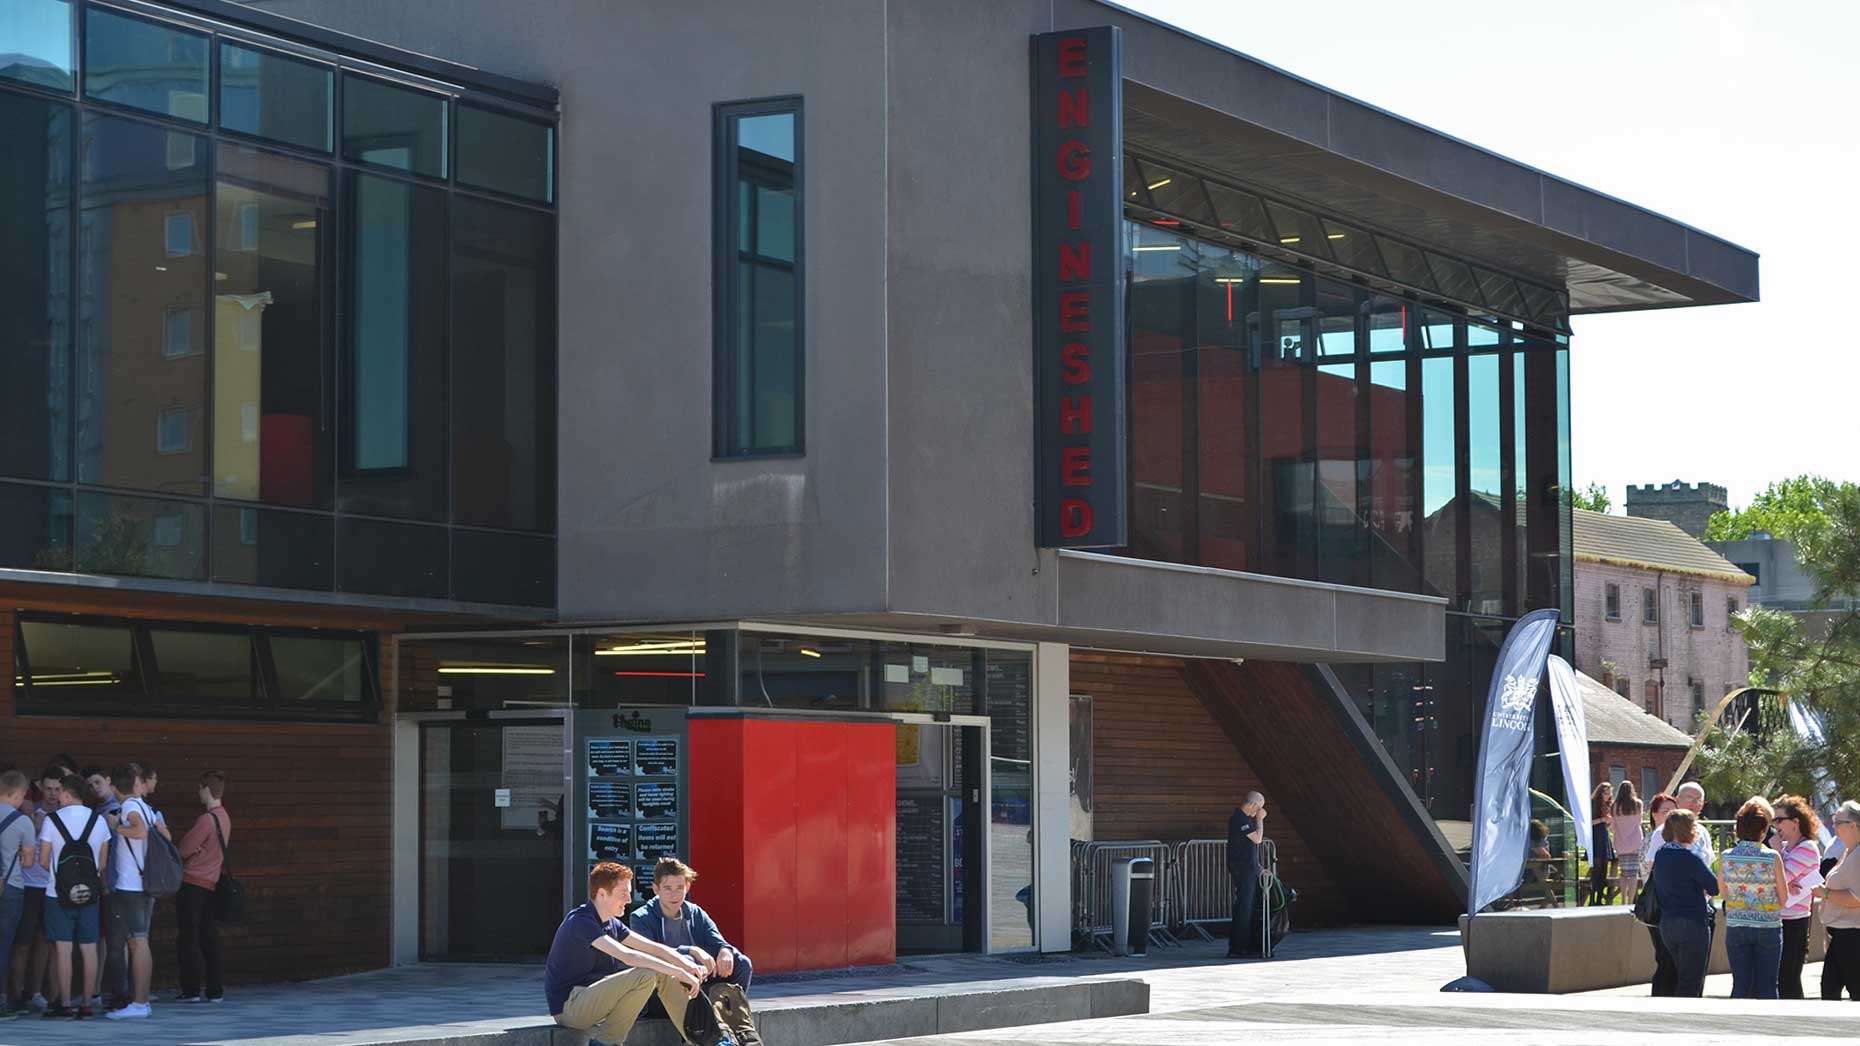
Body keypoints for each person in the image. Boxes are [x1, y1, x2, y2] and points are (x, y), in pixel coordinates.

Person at [547, 862, 704, 1046]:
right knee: (644, 974)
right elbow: (629, 956)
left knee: (656, 972)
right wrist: (680, 973)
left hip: (592, 1000)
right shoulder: (581, 921)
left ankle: (698, 1039)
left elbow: (655, 948)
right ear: (602, 894)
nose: (629, 900)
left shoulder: (611, 923)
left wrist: (686, 965)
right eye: (623, 893)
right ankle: (608, 1042)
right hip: (570, 1007)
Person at [628, 858, 752, 1003]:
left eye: (679, 888)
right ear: (656, 889)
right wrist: (690, 950)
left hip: (699, 982)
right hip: (662, 991)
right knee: (686, 961)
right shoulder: (641, 918)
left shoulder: (695, 912)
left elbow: (717, 941)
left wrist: (725, 950)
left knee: (741, 963)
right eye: (668, 888)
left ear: (687, 887)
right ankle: (707, 1008)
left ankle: (731, 1011)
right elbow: (651, 956)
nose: (674, 895)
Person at [37, 772, 109, 1019]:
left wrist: (63, 878)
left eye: (60, 793)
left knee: (63, 949)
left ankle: (65, 1004)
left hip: (57, 894)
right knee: (89, 949)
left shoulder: (51, 820)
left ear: (66, 793)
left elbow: (44, 860)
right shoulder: (99, 821)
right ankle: (87, 1004)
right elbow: (102, 863)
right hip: (90, 895)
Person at [102, 765, 157, 1021]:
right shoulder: (146, 807)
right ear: (135, 783)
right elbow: (162, 834)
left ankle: (139, 1002)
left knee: (138, 942)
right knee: (139, 941)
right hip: (145, 885)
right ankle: (140, 1001)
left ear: (113, 786)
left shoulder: (130, 808)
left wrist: (116, 827)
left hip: (131, 887)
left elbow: (140, 831)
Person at [1718, 797, 1788, 999]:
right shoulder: (1773, 857)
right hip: (1768, 926)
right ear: (1764, 830)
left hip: (1737, 925)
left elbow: (1724, 893)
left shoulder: (1726, 856)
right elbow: (1783, 899)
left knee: (1740, 985)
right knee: (1768, 986)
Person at [1651, 809, 1719, 999]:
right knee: (1691, 982)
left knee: (1679, 974)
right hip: (1692, 924)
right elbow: (1714, 887)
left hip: (1667, 925)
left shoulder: (1661, 855)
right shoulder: (1690, 858)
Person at [175, 769, 230, 1004]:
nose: (198, 793)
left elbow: (184, 848)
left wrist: (190, 850)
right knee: (209, 937)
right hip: (211, 884)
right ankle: (215, 989)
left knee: (188, 938)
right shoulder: (225, 817)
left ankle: (191, 990)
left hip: (192, 884)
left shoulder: (206, 819)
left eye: (199, 788)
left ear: (206, 789)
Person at [1773, 795, 1823, 999]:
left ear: (1795, 822)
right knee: (1782, 976)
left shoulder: (1807, 848)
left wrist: (1776, 857)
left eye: (1779, 820)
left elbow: (1780, 878)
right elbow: (1778, 881)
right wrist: (1783, 880)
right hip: (1780, 918)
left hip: (1795, 921)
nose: (1775, 825)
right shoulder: (1786, 849)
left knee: (1789, 977)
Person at [1814, 800, 1860, 1000]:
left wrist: (1824, 893)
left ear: (1853, 825)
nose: (1833, 826)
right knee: (1829, 989)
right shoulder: (1848, 851)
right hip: (1841, 933)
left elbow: (1857, 898)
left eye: (1838, 822)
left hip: (1852, 934)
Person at [0, 771, 37, 1020]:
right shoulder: (24, 822)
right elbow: (29, 861)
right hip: (10, 888)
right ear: (21, 794)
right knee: (4, 945)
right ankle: (2, 1000)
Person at [1226, 792, 1266, 958]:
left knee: (1246, 906)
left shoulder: (1243, 819)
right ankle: (1237, 948)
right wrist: (1260, 820)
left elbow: (1248, 847)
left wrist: (1258, 867)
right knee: (1244, 907)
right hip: (1242, 869)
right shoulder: (1240, 819)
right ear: (1254, 805)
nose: (1258, 812)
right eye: (1259, 808)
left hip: (1248, 868)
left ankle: (1243, 944)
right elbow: (1257, 839)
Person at [1610, 782, 1646, 904]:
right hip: (1635, 841)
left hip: (1621, 842)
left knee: (1624, 872)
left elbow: (1613, 826)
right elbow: (1639, 821)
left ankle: (1623, 899)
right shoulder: (1638, 804)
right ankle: (1631, 900)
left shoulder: (1615, 806)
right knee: (1633, 873)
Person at [1586, 782, 1614, 905]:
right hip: (1595, 836)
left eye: (1609, 793)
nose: (1608, 796)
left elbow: (1607, 825)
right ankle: (1592, 898)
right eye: (1605, 793)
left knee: (1604, 870)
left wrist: (1609, 822)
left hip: (1604, 836)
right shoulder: (1593, 804)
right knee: (1596, 870)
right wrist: (1603, 819)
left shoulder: (1607, 805)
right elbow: (1589, 823)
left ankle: (1599, 898)